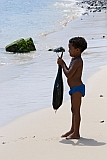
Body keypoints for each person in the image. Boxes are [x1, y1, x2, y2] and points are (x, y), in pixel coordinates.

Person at [57, 37, 87, 139]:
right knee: (73, 110)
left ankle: (76, 133)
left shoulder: (77, 61)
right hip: (74, 89)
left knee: (76, 110)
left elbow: (69, 74)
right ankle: (72, 129)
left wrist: (63, 64)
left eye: (70, 48)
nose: (69, 50)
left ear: (77, 50)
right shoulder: (74, 59)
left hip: (77, 89)